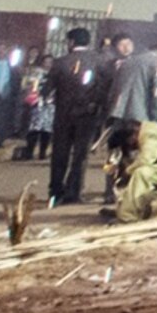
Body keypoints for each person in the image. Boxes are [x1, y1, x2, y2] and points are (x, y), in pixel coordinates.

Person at [43, 29, 108, 205]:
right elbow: (103, 88)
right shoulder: (99, 62)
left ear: (71, 42)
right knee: (80, 155)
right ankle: (74, 192)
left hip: (63, 114)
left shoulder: (60, 62)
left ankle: (55, 191)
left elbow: (47, 89)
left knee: (60, 153)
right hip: (87, 115)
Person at [107, 33, 157, 127]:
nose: (126, 48)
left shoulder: (127, 64)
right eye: (121, 45)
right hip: (142, 116)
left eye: (128, 44)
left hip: (119, 115)